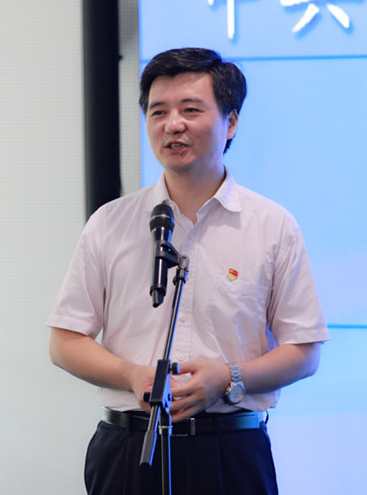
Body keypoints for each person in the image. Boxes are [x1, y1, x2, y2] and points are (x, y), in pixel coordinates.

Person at [48, 47, 329, 494]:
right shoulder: (110, 223)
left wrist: (229, 377)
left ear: (231, 122)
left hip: (229, 452)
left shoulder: (272, 226)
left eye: (190, 110)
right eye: (158, 111)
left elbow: (304, 350)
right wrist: (131, 376)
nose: (172, 124)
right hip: (128, 448)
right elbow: (65, 342)